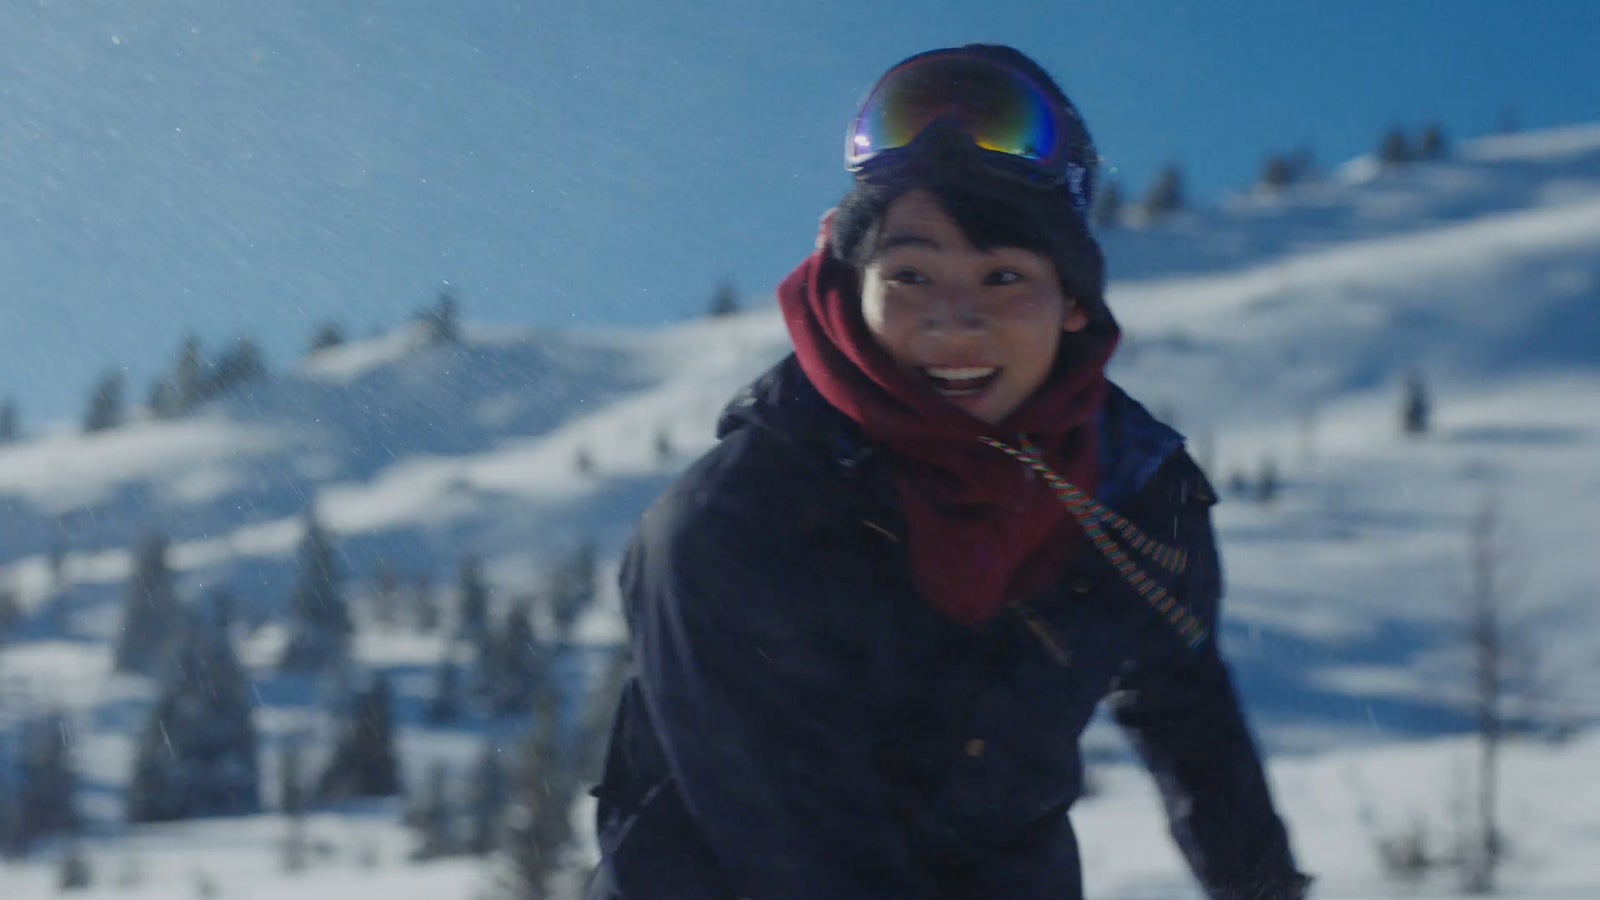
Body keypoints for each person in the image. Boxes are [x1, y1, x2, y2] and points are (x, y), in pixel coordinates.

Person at [586, 44, 1311, 900]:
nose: (954, 322)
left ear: (1072, 302)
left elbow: (1191, 715)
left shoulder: (1133, 495)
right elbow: (795, 849)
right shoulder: (738, 520)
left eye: (1003, 276)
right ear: (852, 284)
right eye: (912, 275)